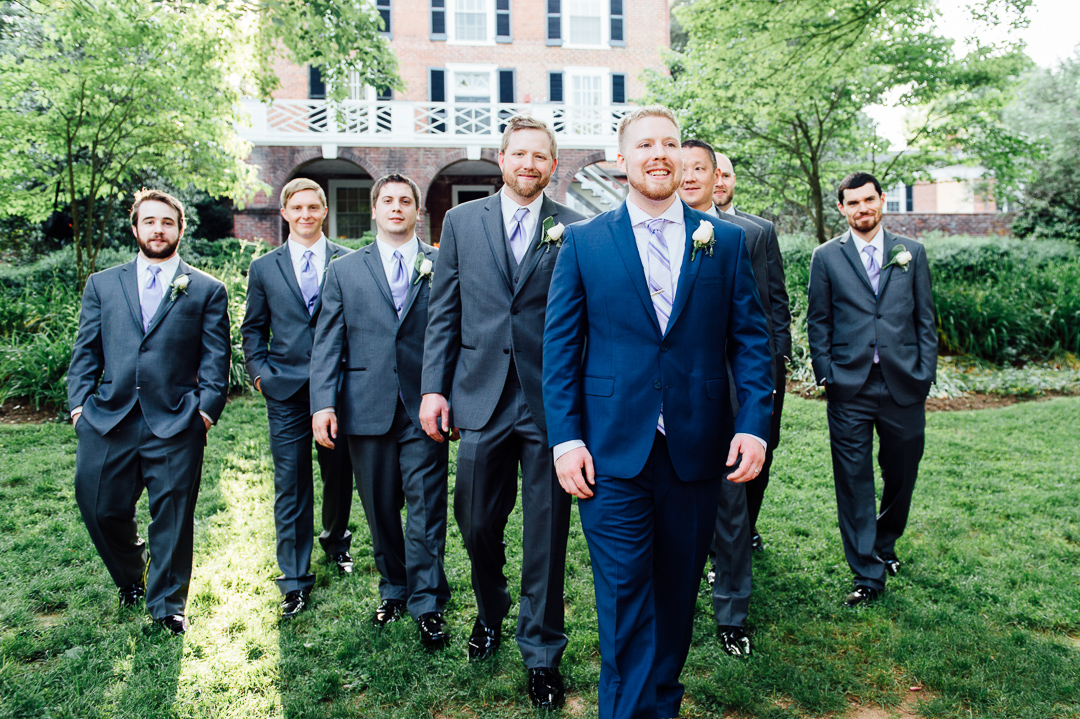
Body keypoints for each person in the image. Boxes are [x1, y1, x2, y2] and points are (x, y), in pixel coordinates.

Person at [543, 106, 774, 719]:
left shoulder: (722, 242)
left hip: (696, 450)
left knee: (674, 599)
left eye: (669, 143)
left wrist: (753, 425)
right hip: (611, 452)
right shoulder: (586, 242)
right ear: (623, 161)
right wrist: (566, 440)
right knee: (623, 599)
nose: (659, 154)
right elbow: (560, 349)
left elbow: (750, 342)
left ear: (683, 158)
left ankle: (661, 706)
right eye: (644, 144)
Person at [419, 115, 585, 708]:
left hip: (548, 402)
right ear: (502, 158)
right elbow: (443, 312)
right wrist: (434, 389)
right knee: (476, 519)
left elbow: (582, 322)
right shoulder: (461, 222)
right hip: (480, 395)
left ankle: (541, 651)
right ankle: (490, 609)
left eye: (541, 157)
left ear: (552, 165)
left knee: (546, 532)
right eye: (520, 154)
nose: (529, 165)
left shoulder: (574, 229)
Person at [68, 189, 231, 635]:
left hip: (177, 418)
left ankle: (167, 603)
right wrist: (80, 406)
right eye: (150, 221)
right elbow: (86, 351)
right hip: (109, 418)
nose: (158, 229)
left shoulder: (206, 289)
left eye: (167, 222)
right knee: (99, 506)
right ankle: (131, 574)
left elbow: (217, 359)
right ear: (135, 227)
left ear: (180, 229)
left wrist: (205, 413)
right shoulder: (103, 283)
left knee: (173, 515)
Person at [310, 174, 451, 649]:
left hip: (425, 406)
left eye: (405, 200)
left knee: (428, 507)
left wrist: (450, 393)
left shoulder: (442, 264)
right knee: (380, 509)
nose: (396, 207)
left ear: (418, 211)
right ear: (374, 210)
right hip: (364, 406)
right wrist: (323, 403)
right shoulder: (344, 270)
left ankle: (428, 601)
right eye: (387, 201)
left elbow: (455, 333)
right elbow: (328, 340)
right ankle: (394, 586)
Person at [678, 138, 791, 658]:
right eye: (683, 166)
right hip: (667, 390)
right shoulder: (642, 233)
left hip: (726, 385)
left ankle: (732, 611)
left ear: (713, 175)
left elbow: (761, 322)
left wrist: (760, 388)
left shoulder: (741, 236)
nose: (690, 175)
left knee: (732, 503)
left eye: (701, 167)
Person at [806, 172, 937, 606]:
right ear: (841, 209)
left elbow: (925, 319)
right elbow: (818, 320)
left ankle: (885, 541)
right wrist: (827, 372)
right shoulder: (826, 257)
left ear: (882, 200)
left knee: (902, 474)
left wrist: (924, 372)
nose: (863, 209)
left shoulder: (911, 253)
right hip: (850, 385)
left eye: (869, 200)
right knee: (854, 481)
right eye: (853, 203)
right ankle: (867, 572)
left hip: (904, 383)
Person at [241, 178, 355, 621]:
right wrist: (259, 376)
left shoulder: (347, 262)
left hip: (338, 388)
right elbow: (252, 329)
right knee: (290, 484)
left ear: (324, 211)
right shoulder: (265, 268)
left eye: (313, 207)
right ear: (284, 213)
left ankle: (336, 540)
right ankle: (293, 579)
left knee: (338, 475)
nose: (305, 215)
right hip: (284, 389)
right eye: (297, 208)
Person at [712, 151, 793, 549]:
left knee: (760, 449)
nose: (720, 181)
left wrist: (779, 364)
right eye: (716, 174)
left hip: (758, 364)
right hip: (710, 365)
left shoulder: (758, 231)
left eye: (727, 175)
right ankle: (721, 537)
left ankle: (746, 525)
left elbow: (775, 303)